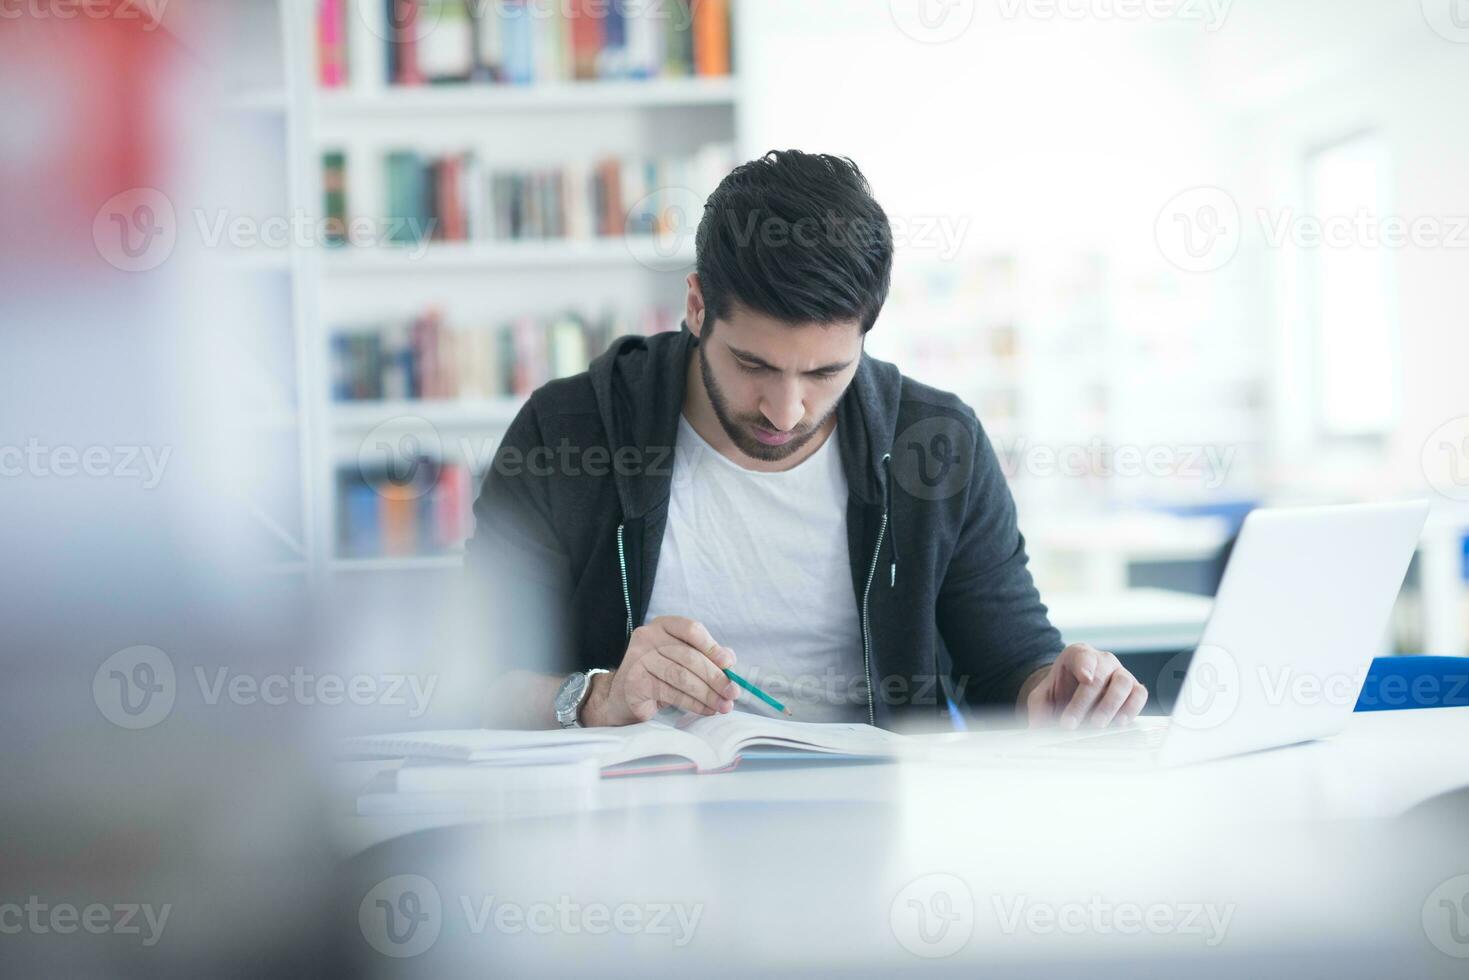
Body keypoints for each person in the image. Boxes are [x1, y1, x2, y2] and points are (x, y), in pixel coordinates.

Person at [468, 150, 1147, 731]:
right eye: (752, 365)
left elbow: (1008, 664)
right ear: (697, 306)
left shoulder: (936, 444)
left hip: (874, 821)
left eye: (824, 372)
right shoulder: (567, 431)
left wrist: (1059, 696)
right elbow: (473, 679)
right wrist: (597, 697)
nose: (786, 411)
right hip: (635, 817)